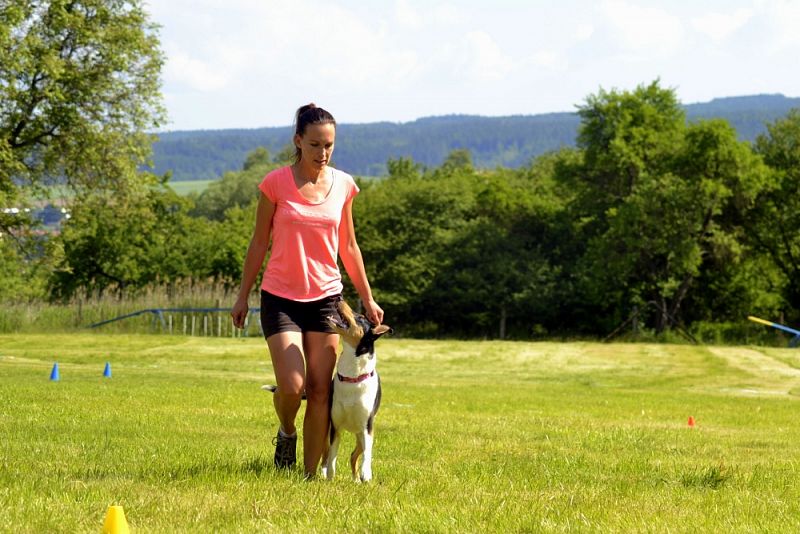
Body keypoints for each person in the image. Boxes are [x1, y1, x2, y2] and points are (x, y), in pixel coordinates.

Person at [230, 103, 383, 479]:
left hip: (326, 301)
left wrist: (367, 297)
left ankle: (309, 477)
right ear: (298, 141)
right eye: (315, 144)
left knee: (319, 392)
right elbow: (258, 242)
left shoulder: (344, 185)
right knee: (292, 384)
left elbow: (348, 246)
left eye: (329, 144)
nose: (323, 152)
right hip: (280, 297)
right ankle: (286, 431)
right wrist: (242, 294)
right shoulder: (275, 183)